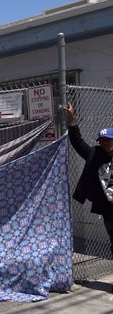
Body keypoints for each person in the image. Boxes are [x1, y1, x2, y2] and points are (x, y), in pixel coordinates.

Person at [64, 102, 113, 253]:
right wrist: (72, 119)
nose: (104, 143)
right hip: (109, 208)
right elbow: (77, 142)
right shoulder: (95, 155)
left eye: (108, 139)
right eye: (102, 140)